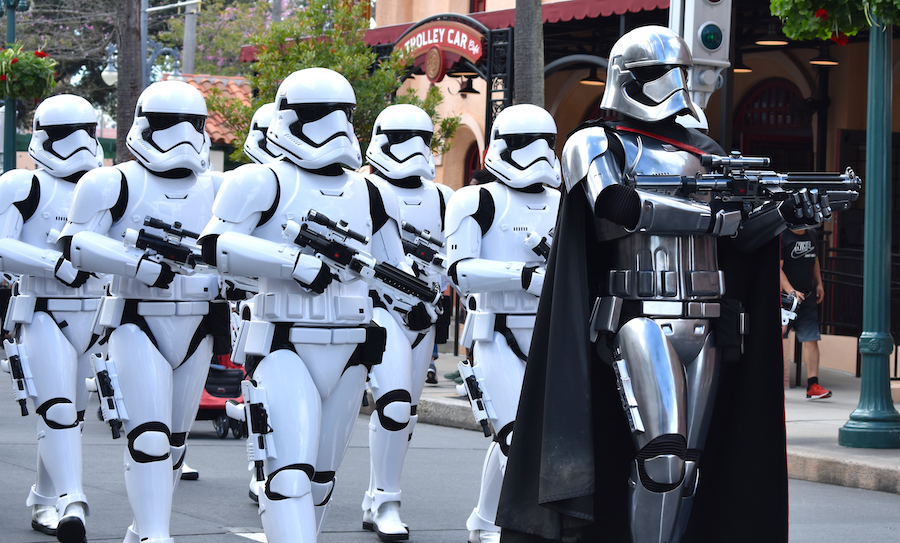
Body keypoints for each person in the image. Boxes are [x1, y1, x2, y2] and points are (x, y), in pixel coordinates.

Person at [495, 25, 839, 543]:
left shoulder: (706, 151)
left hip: (706, 321)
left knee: (691, 467)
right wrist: (709, 219)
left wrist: (786, 215)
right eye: (657, 74)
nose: (671, 86)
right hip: (638, 317)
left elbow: (741, 238)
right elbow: (616, 208)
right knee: (663, 461)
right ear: (624, 78)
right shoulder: (594, 141)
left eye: (678, 74)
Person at [198, 68, 428, 543]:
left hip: (352, 348)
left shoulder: (371, 192)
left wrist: (414, 303)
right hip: (284, 340)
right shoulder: (259, 180)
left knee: (321, 479)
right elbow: (215, 244)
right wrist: (294, 263)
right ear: (291, 118)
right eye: (321, 114)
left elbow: (393, 268)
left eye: (343, 114)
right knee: (290, 475)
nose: (336, 126)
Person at [58, 80, 228, 543]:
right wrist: (137, 264)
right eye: (168, 124)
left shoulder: (220, 187)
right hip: (135, 316)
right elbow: (74, 242)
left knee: (173, 440)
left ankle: (145, 529)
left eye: (190, 125)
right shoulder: (111, 182)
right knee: (149, 436)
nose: (179, 136)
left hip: (198, 323)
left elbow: (240, 248)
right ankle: (155, 533)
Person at [445, 103, 561, 543]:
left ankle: (482, 520)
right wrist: (523, 275)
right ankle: (517, 530)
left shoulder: (563, 203)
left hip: (551, 333)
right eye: (525, 144)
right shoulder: (475, 201)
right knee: (516, 439)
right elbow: (460, 270)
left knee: (517, 439)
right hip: (494, 332)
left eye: (544, 145)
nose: (536, 155)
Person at [0, 94, 105, 543]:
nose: (79, 145)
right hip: (42, 308)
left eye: (87, 132)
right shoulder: (22, 186)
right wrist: (53, 264)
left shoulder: (105, 186)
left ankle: (45, 498)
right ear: (43, 136)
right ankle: (72, 501)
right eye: (66, 135)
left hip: (94, 313)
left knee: (68, 414)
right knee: (58, 408)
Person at [360, 103, 453, 540]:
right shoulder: (364, 190)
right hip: (379, 309)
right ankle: (386, 501)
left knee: (406, 413)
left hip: (426, 314)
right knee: (393, 404)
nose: (414, 149)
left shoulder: (444, 197)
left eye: (423, 138)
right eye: (401, 138)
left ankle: (377, 492)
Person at [781, 227, 831, 399]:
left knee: (811, 339)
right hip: (786, 299)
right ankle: (774, 383)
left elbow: (815, 260)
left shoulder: (811, 235)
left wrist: (819, 284)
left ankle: (813, 385)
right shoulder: (782, 235)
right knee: (779, 340)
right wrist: (790, 291)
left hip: (807, 296)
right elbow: (777, 268)